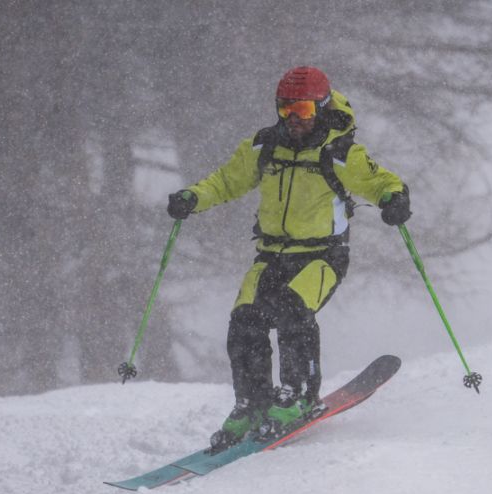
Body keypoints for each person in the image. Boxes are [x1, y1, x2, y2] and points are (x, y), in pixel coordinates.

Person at [166, 66, 412, 451]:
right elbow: (226, 181)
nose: (294, 119)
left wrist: (393, 199)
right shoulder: (264, 147)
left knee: (294, 312)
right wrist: (193, 198)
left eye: (303, 109)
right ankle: (252, 402)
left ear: (321, 107)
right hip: (271, 255)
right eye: (285, 110)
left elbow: (379, 180)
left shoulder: (339, 151)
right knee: (245, 320)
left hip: (322, 257)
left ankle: (298, 396)